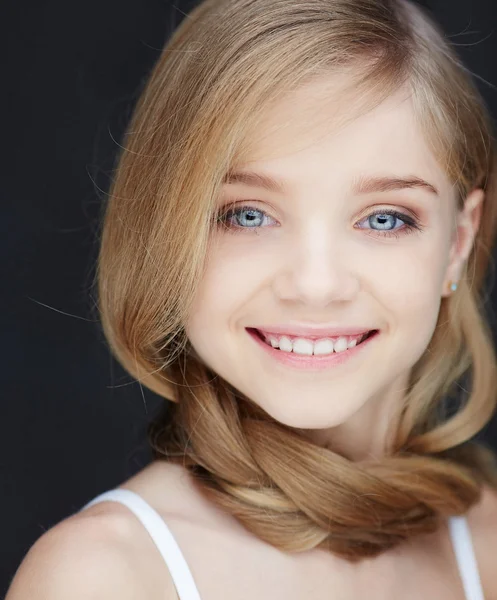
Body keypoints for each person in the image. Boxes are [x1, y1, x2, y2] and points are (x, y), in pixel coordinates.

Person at [7, 0, 497, 598]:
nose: (315, 286)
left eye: (385, 219)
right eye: (247, 214)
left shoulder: (487, 542)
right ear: (167, 231)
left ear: (458, 243)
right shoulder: (104, 576)